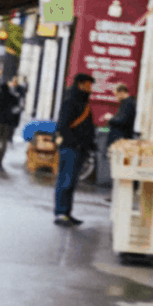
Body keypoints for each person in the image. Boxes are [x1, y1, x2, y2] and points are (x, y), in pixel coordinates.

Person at [54, 72, 96, 226]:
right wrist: (75, 142)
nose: (90, 88)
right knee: (65, 181)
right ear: (80, 84)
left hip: (80, 148)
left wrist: (90, 144)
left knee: (71, 182)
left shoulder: (83, 103)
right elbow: (63, 126)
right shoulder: (70, 102)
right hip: (71, 148)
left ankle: (67, 212)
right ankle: (60, 213)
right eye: (88, 84)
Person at [0, 80, 18, 170]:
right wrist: (14, 123)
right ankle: (0, 159)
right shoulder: (12, 97)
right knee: (4, 141)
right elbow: (16, 110)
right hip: (8, 123)